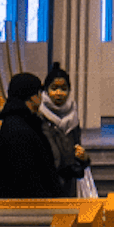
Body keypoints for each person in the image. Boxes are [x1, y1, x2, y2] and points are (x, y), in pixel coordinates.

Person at [0, 71, 68, 197]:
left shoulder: (22, 123)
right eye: (39, 93)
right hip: (27, 208)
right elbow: (26, 176)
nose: (42, 97)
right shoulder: (19, 129)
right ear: (33, 96)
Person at [40, 66, 98, 199]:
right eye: (54, 88)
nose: (59, 93)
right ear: (46, 90)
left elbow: (77, 147)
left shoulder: (73, 117)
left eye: (63, 89)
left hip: (69, 186)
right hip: (48, 186)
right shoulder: (40, 116)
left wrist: (84, 159)